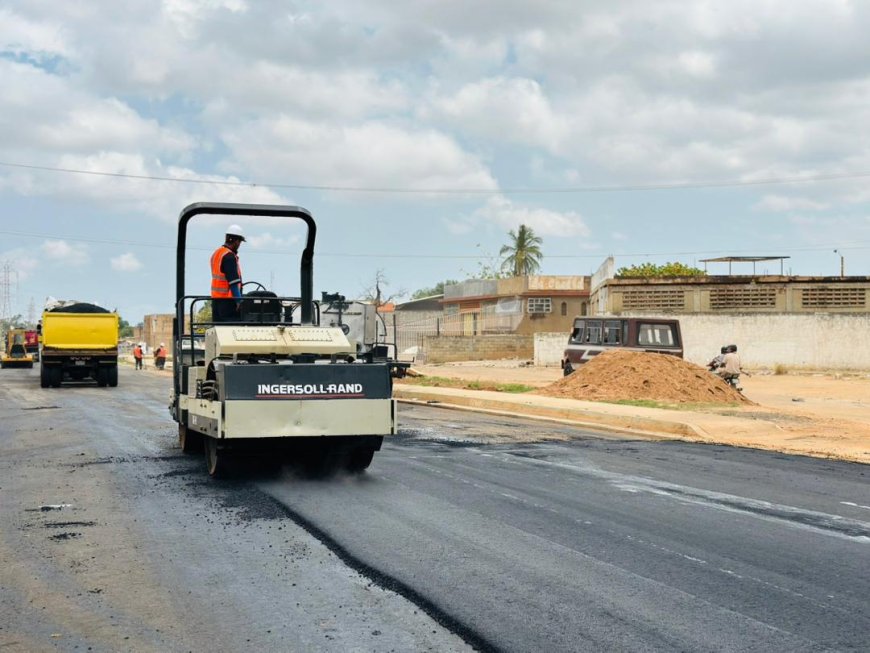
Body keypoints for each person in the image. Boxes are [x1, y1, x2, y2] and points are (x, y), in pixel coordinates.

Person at [210, 224, 246, 323]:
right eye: (240, 242)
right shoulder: (229, 256)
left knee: (219, 328)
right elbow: (233, 282)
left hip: (216, 301)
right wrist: (239, 301)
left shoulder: (217, 253)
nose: (239, 245)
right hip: (228, 303)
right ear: (236, 241)